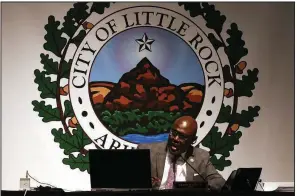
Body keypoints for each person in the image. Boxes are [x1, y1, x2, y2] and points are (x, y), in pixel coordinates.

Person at [137, 115, 226, 191]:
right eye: (174, 133)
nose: (175, 139)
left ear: (193, 140)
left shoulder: (201, 156)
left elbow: (218, 181)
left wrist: (196, 188)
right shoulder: (148, 150)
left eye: (182, 136)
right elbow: (130, 181)